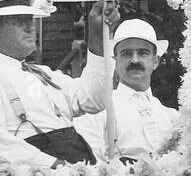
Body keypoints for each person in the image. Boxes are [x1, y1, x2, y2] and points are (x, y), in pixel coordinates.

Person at [0, 0, 120, 167]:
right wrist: (54, 165)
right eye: (18, 21)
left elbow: (93, 100)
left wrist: (97, 36)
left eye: (29, 19)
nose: (30, 27)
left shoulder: (43, 74)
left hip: (75, 171)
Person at [74, 19, 176, 160]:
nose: (135, 60)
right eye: (127, 53)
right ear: (115, 60)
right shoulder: (100, 112)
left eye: (143, 53)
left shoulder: (171, 118)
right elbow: (90, 167)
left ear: (155, 61)